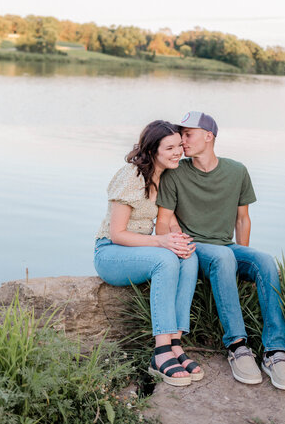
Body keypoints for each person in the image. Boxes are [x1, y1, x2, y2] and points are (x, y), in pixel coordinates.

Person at [156, 111, 285, 391]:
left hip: (227, 246)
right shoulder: (176, 173)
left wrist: (242, 259)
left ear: (209, 136)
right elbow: (162, 224)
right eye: (181, 135)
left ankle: (275, 352)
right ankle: (237, 345)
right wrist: (178, 245)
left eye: (188, 134)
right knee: (222, 257)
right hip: (197, 249)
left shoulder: (237, 171)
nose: (182, 141)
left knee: (265, 261)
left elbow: (242, 219)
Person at [94, 120, 203, 387]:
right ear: (153, 149)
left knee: (188, 257)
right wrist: (161, 242)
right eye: (170, 147)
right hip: (111, 253)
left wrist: (179, 241)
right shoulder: (131, 176)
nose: (178, 151)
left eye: (179, 145)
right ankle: (160, 352)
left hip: (141, 251)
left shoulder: (165, 177)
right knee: (166, 259)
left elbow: (171, 221)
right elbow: (117, 233)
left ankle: (175, 343)